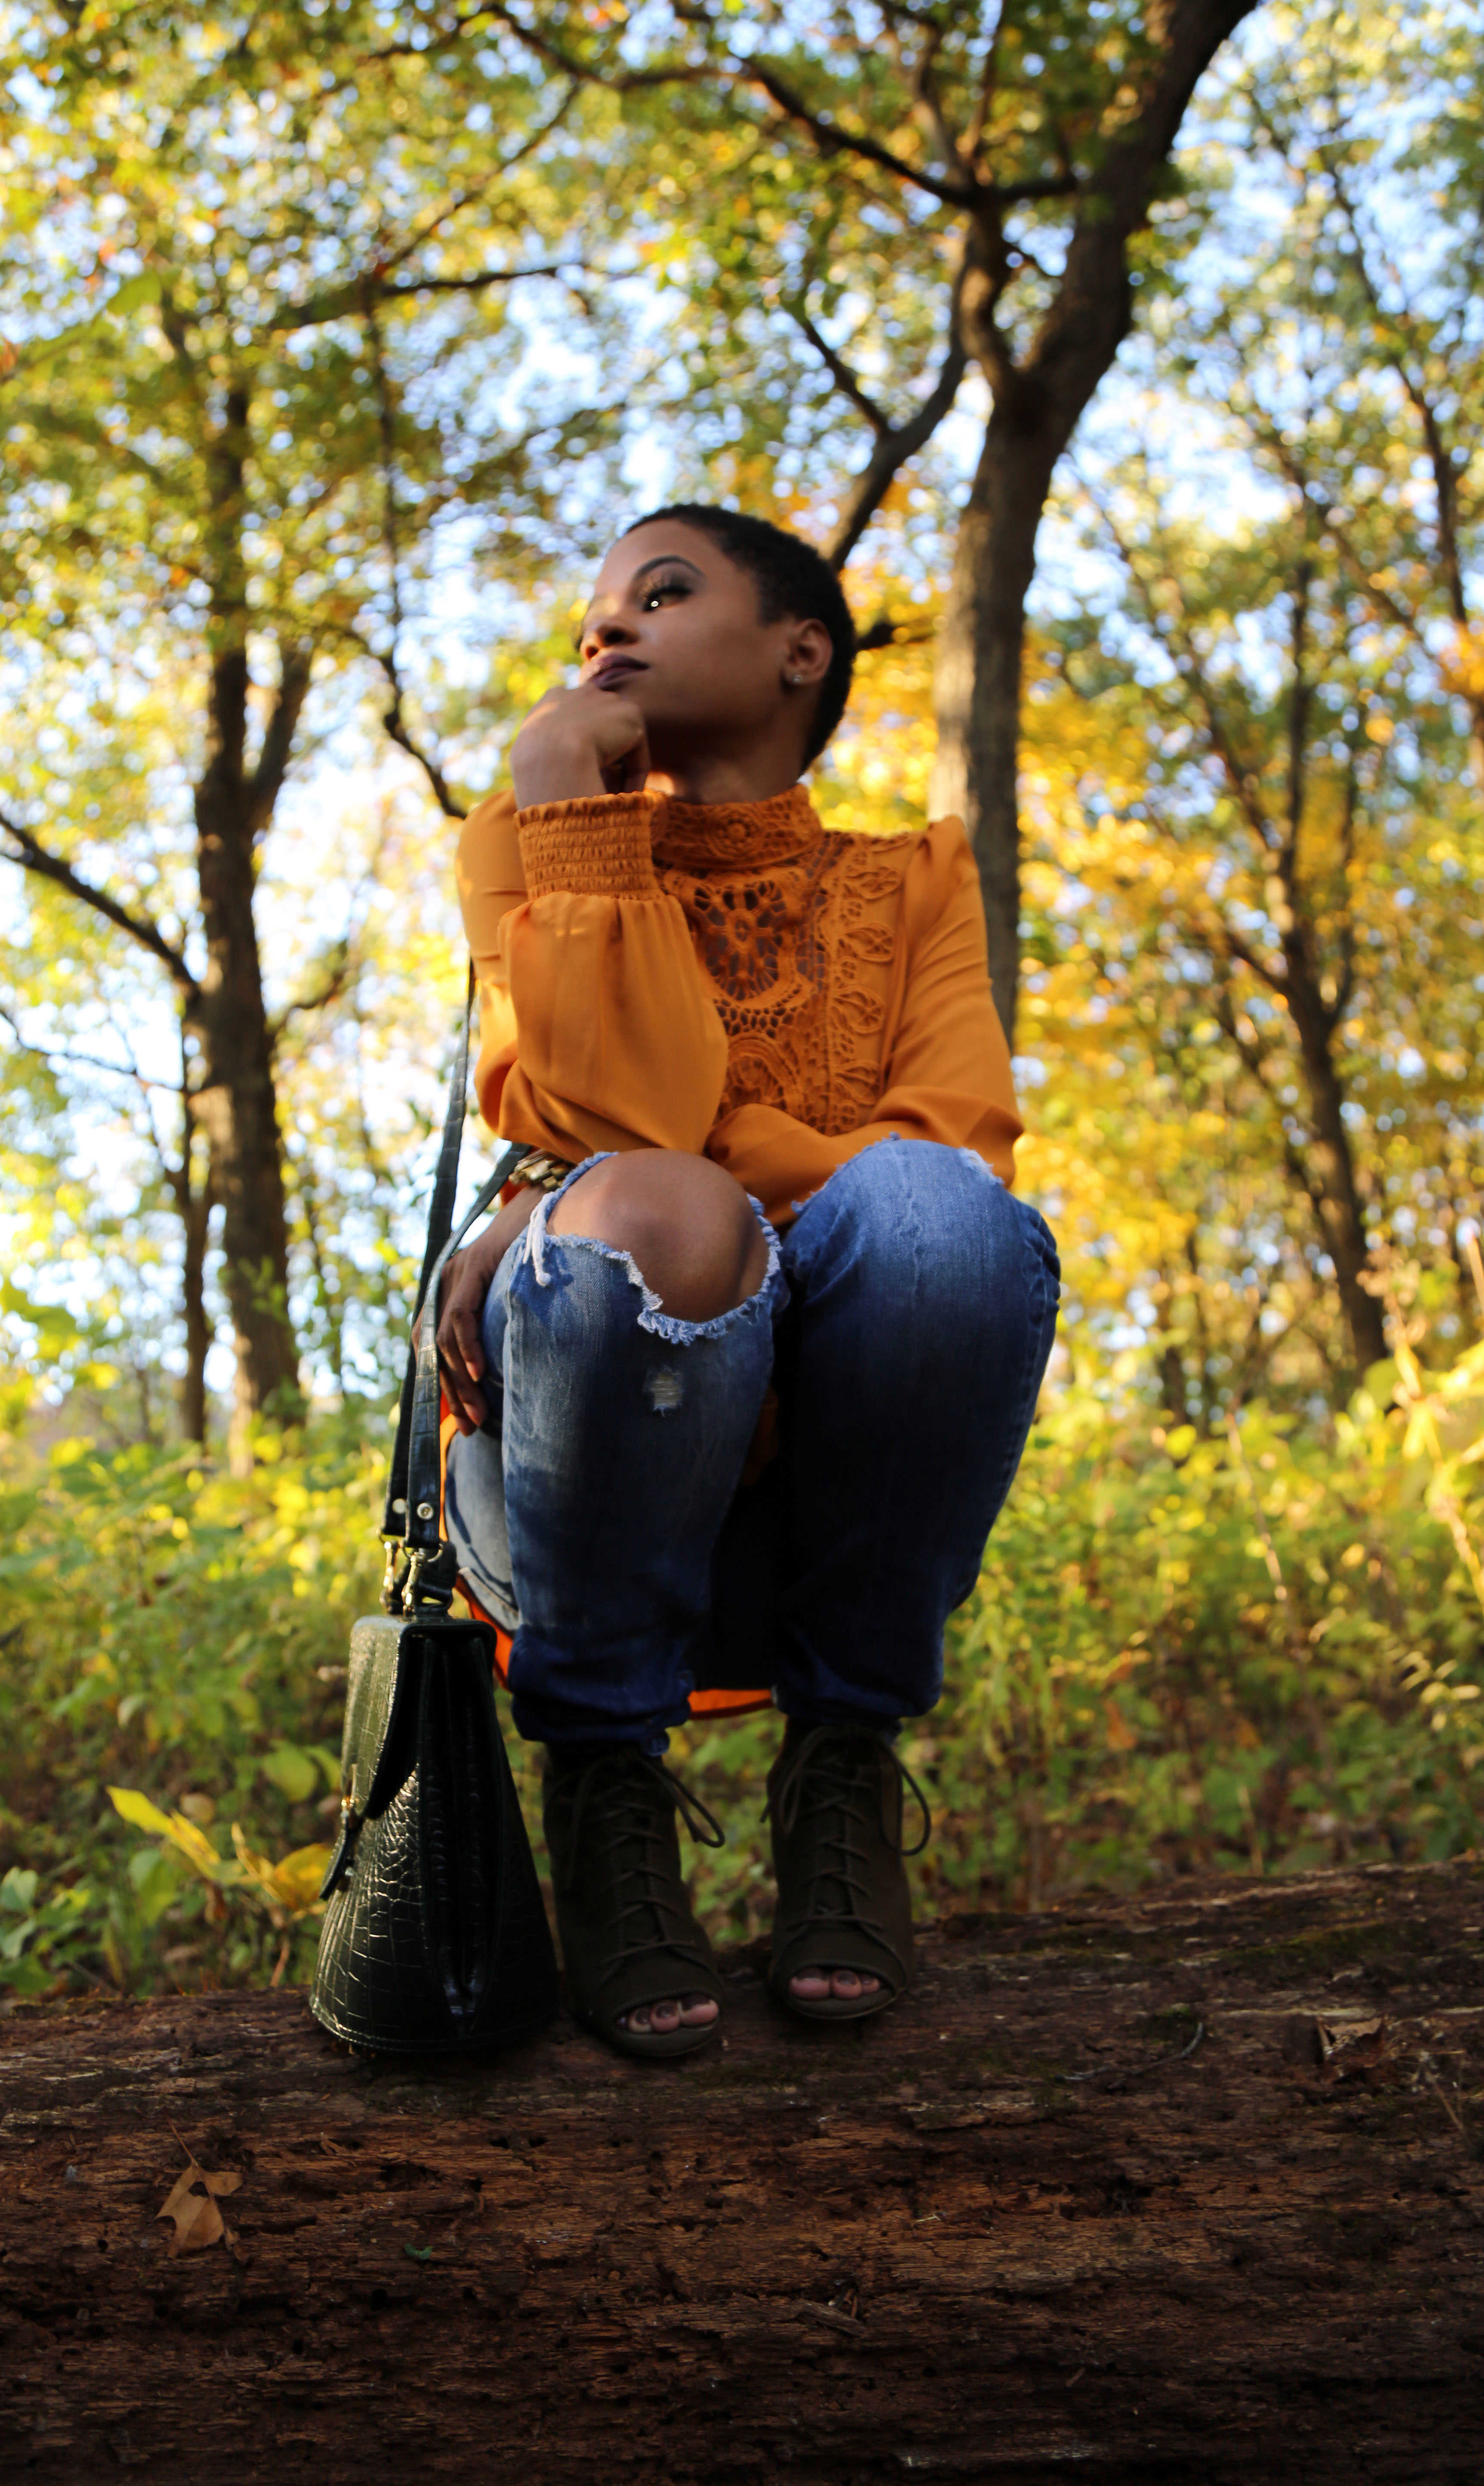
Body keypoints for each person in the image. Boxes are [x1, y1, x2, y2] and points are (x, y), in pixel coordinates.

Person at [433, 504, 1059, 2061]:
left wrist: (589, 1193)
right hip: (608, 1420)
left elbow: (945, 1150)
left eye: (660, 591)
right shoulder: (524, 843)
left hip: (839, 1454)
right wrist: (564, 809)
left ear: (803, 650)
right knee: (662, 1212)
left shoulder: (916, 880)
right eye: (592, 617)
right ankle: (601, 1781)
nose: (606, 632)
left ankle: (843, 1759)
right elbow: (625, 1128)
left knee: (940, 1215)